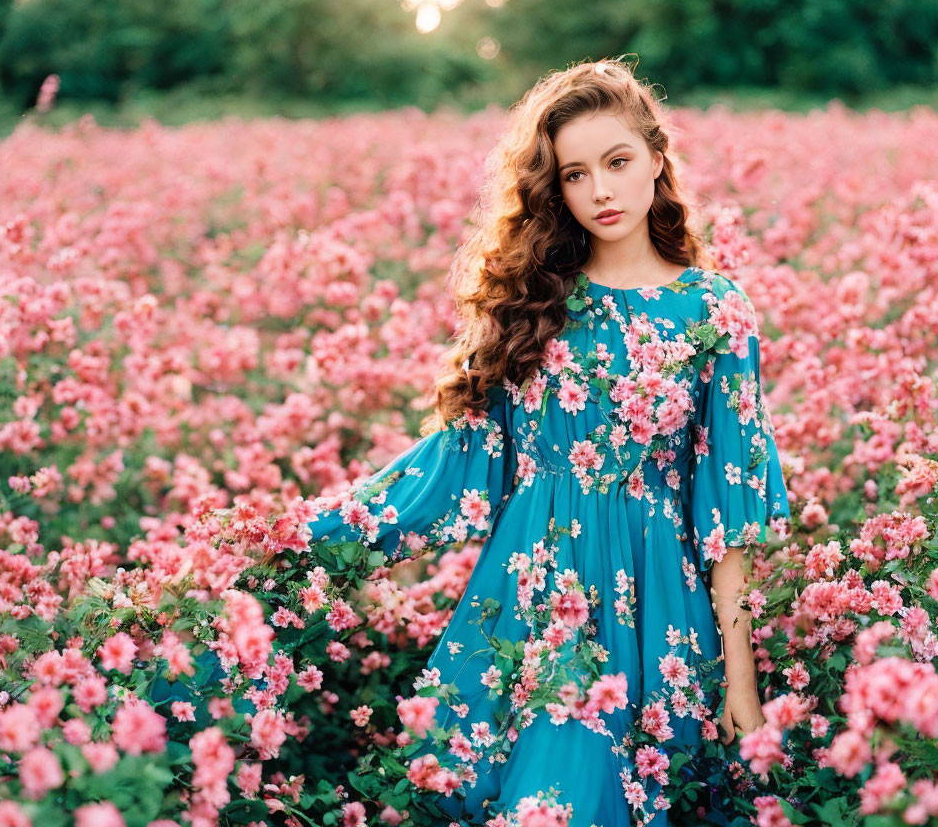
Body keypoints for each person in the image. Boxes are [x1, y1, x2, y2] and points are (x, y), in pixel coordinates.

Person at [307, 58, 791, 826]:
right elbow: (450, 468)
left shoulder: (717, 311)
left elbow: (729, 508)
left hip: (659, 605)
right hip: (537, 602)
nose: (600, 189)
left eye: (618, 162)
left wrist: (741, 679)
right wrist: (304, 539)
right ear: (554, 188)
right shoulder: (536, 304)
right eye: (575, 173)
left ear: (657, 161)